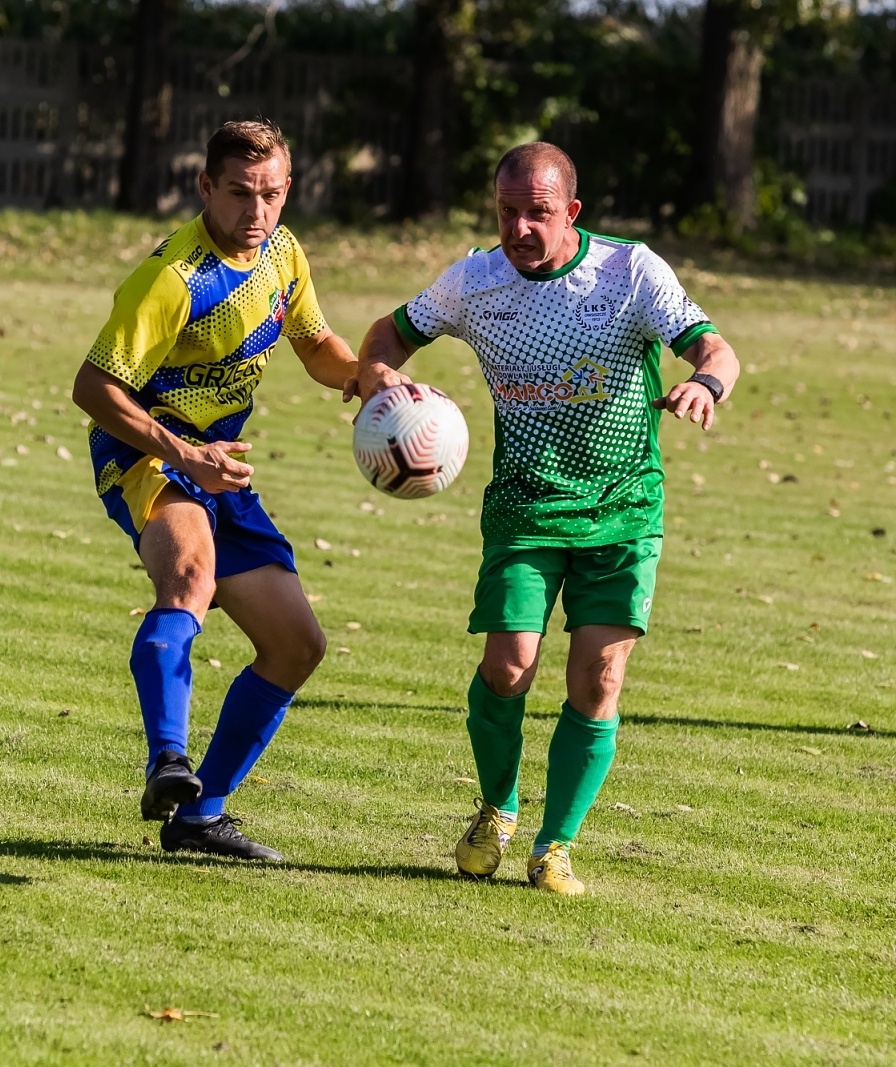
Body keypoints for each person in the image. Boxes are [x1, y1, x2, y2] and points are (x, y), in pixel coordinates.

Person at [353, 142, 741, 894]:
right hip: (526, 508)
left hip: (623, 510)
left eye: (537, 213)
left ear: (572, 212)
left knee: (598, 679)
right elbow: (387, 334)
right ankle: (497, 806)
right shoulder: (475, 281)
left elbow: (717, 350)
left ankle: (555, 844)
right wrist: (377, 376)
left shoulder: (631, 273)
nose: (520, 228)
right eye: (507, 212)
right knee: (508, 668)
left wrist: (705, 386)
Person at [71, 120, 361, 862]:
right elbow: (94, 387)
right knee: (190, 578)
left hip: (218, 466)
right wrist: (181, 455)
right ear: (206, 187)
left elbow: (316, 345)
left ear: (286, 190)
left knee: (297, 645)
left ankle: (202, 816)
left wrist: (369, 377)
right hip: (147, 452)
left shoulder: (285, 255)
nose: (256, 211)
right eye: (239, 193)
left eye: (270, 194)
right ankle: (168, 759)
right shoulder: (173, 279)